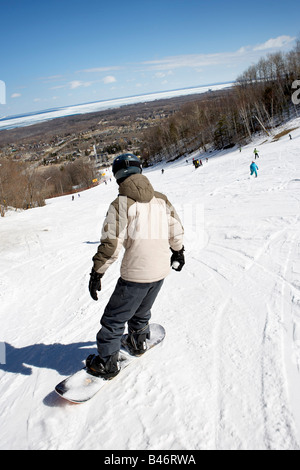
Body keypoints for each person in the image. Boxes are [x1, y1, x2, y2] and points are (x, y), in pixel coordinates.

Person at [87, 153, 185, 379]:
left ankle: (106, 363)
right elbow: (176, 230)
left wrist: (97, 272)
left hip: (135, 275)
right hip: (160, 271)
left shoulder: (120, 204)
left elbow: (111, 244)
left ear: (117, 175)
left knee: (113, 320)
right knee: (141, 311)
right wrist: (178, 251)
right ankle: (137, 340)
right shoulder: (160, 198)